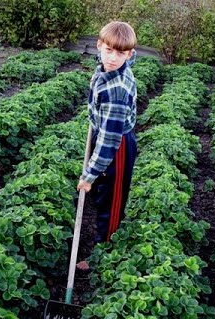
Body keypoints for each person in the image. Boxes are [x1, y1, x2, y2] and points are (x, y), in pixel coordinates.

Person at [76, 21, 138, 270]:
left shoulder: (117, 91)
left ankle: (105, 254)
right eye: (109, 50)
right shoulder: (104, 69)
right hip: (103, 133)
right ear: (99, 46)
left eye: (121, 53)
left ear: (130, 55)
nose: (113, 58)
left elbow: (110, 141)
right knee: (102, 192)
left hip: (117, 145)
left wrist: (89, 175)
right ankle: (103, 239)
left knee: (111, 201)